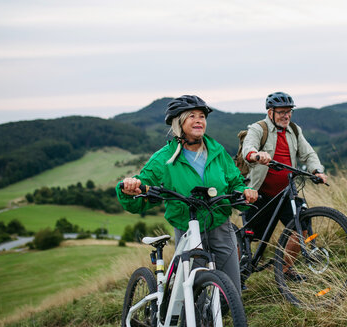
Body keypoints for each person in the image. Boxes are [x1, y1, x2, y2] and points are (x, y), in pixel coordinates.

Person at [117, 95, 258, 294]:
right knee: (192, 292)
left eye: (202, 116)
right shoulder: (163, 158)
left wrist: (245, 193)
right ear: (178, 123)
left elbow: (235, 183)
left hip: (220, 226)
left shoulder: (218, 153)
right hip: (187, 229)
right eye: (191, 116)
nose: (199, 120)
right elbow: (142, 189)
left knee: (232, 290)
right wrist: (129, 188)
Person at [241, 91, 327, 282]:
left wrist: (317, 170)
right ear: (270, 112)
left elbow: (308, 153)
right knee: (250, 237)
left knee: (301, 227)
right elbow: (249, 147)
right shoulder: (258, 129)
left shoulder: (294, 130)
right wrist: (256, 155)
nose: (286, 116)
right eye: (281, 112)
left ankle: (285, 270)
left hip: (287, 192)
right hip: (260, 193)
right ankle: (236, 273)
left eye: (289, 112)